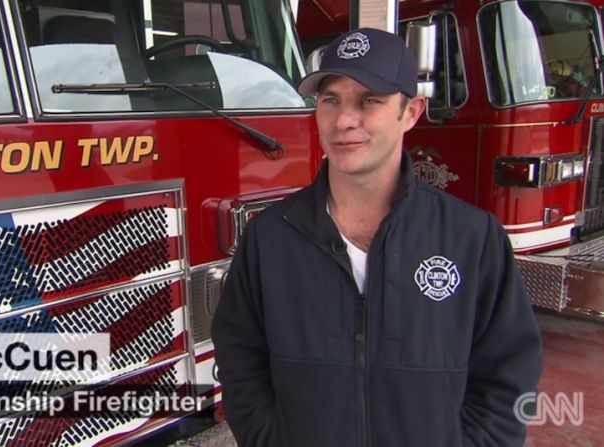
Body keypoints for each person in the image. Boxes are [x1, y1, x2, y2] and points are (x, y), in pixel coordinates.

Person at [211, 28, 542, 446]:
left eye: (369, 100)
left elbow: (510, 374)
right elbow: (240, 359)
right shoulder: (270, 237)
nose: (345, 120)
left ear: (411, 111)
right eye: (330, 100)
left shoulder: (472, 239)